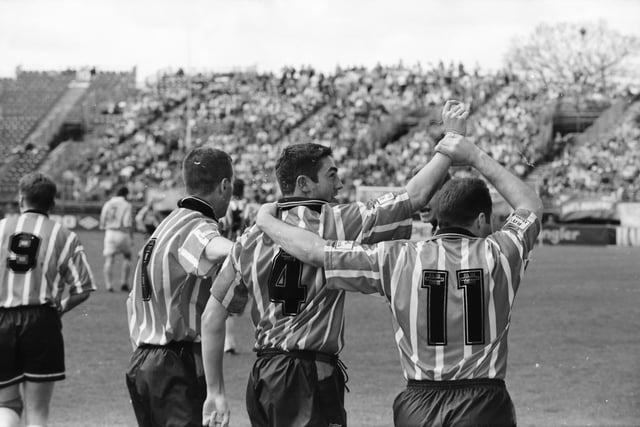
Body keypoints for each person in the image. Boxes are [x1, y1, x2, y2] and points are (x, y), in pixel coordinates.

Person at [201, 101, 470, 427]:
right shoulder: (336, 221)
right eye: (331, 176)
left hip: (262, 376)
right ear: (304, 184)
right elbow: (415, 196)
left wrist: (214, 391)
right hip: (307, 375)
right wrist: (449, 142)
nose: (339, 185)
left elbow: (213, 314)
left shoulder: (249, 239)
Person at [255, 136, 543, 426]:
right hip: (484, 402)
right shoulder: (502, 253)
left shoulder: (395, 257)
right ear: (481, 220)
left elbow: (315, 251)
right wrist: (475, 156)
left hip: (418, 404)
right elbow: (530, 204)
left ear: (437, 218)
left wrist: (267, 221)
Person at [125, 145, 235, 427]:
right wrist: (249, 250)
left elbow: (130, 301)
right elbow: (214, 247)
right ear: (224, 186)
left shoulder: (166, 226)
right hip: (174, 363)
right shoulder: (197, 224)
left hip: (143, 359)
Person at [0, 172, 95, 427]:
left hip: (2, 321)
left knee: (6, 406)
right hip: (42, 321)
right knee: (38, 412)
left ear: (20, 199)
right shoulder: (64, 235)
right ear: (52, 204)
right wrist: (60, 310)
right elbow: (82, 288)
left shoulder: (0, 228)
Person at [219, 178, 250, 355]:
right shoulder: (250, 207)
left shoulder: (227, 206)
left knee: (225, 299)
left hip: (229, 252)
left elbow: (222, 227)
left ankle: (228, 343)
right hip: (247, 252)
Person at [99, 186, 133, 292]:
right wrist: (131, 237)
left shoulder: (108, 203)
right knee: (127, 257)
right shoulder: (127, 205)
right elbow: (127, 222)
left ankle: (109, 285)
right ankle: (124, 283)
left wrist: (105, 226)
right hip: (122, 232)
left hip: (110, 233)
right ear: (125, 194)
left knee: (109, 259)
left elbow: (102, 218)